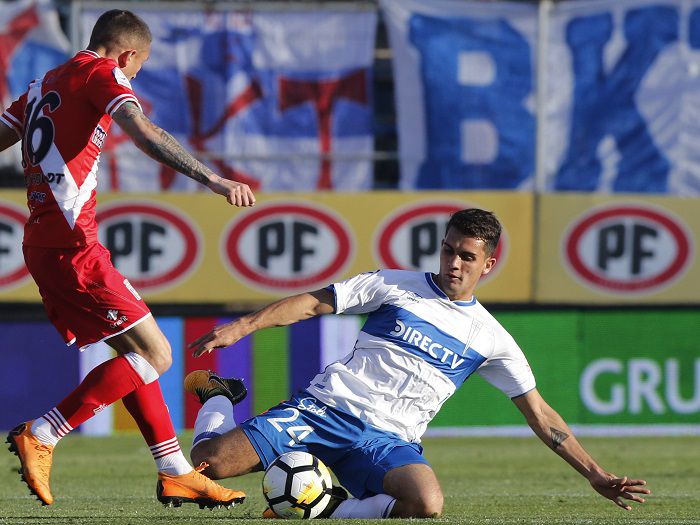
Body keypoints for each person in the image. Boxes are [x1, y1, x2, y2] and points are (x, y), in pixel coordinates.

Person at [184, 208, 651, 519]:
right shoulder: (394, 284)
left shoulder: (492, 340)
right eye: (449, 250)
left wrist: (595, 473)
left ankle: (326, 508)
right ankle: (218, 395)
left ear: (487, 265)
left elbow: (541, 415)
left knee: (426, 503)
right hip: (323, 411)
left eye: (467, 257)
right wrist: (243, 326)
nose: (454, 263)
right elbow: (313, 304)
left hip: (386, 441)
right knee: (208, 465)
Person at [0, 10, 255, 508]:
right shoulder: (101, 74)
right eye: (136, 70)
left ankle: (175, 470)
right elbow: (146, 133)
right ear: (128, 55)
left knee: (136, 358)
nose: (131, 78)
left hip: (44, 242)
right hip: (74, 246)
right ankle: (44, 432)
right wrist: (215, 179)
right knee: (158, 355)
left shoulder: (41, 84)